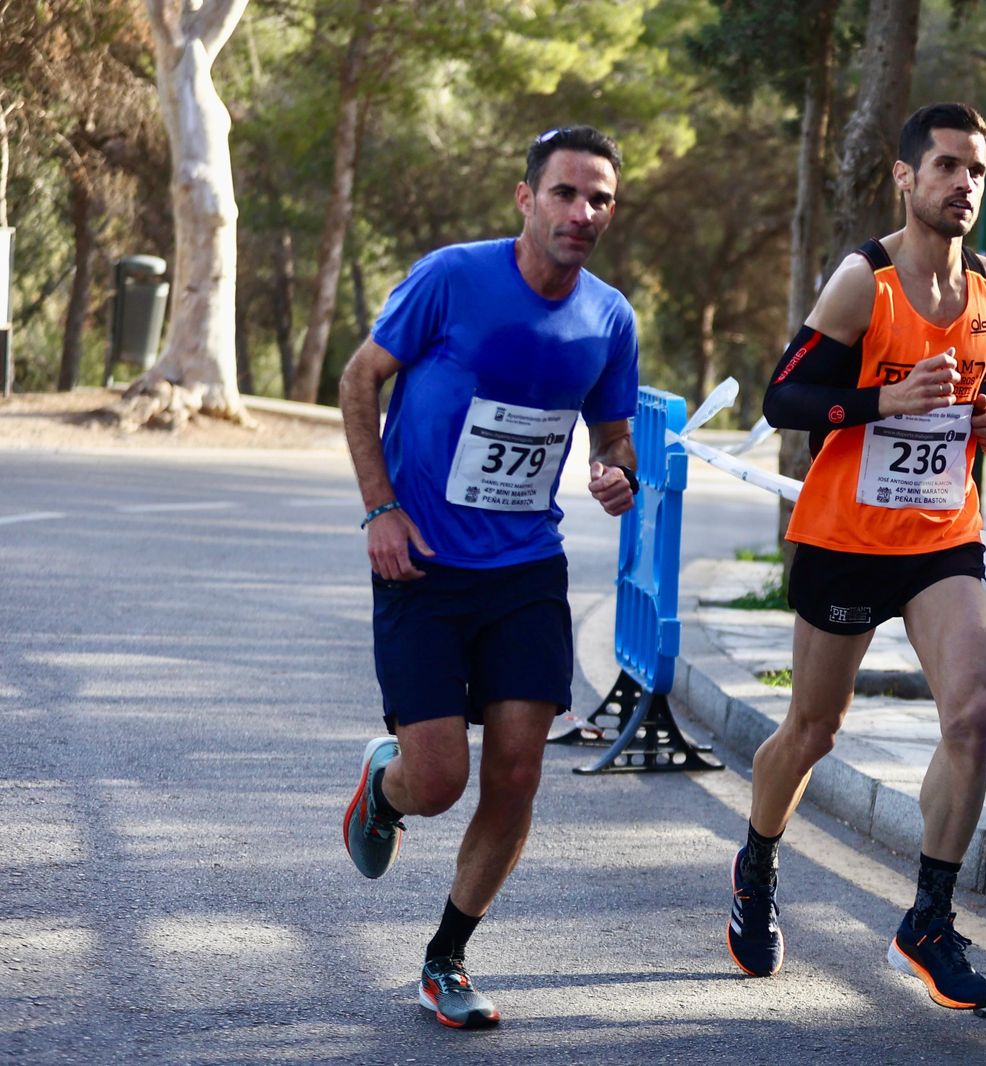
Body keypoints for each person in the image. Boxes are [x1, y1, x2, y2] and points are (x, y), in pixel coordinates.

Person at [338, 125, 640, 1030]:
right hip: (421, 563)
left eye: (599, 200)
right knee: (440, 783)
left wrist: (614, 473)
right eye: (565, 193)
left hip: (524, 571)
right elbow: (360, 382)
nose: (581, 212)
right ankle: (386, 784)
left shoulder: (609, 318)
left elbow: (613, 435)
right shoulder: (451, 278)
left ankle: (446, 960)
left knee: (517, 774)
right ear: (526, 197)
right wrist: (377, 508)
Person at [725, 102, 986, 1010]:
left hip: (940, 538)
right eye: (944, 168)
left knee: (969, 716)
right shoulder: (865, 280)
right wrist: (882, 404)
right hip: (845, 539)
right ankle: (758, 863)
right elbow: (784, 398)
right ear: (905, 176)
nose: (962, 184)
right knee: (813, 730)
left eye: (975, 169)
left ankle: (928, 920)